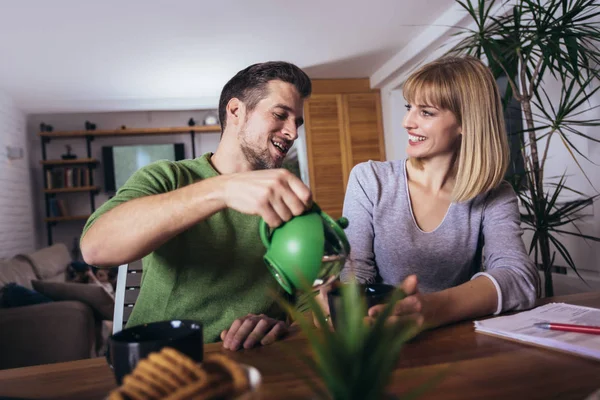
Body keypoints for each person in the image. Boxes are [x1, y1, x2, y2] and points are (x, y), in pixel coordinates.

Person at [80, 61, 313, 350]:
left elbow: (307, 300)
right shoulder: (168, 176)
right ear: (236, 111)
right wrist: (222, 189)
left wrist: (284, 327)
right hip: (164, 362)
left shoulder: (290, 196)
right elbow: (96, 248)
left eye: (297, 122)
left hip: (261, 362)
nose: (292, 132)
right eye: (280, 115)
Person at [338, 56, 540, 330]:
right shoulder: (370, 179)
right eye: (409, 107)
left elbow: (519, 278)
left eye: (426, 112)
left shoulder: (495, 195)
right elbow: (354, 274)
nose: (407, 122)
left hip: (459, 341)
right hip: (384, 336)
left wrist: (435, 308)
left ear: (466, 123)